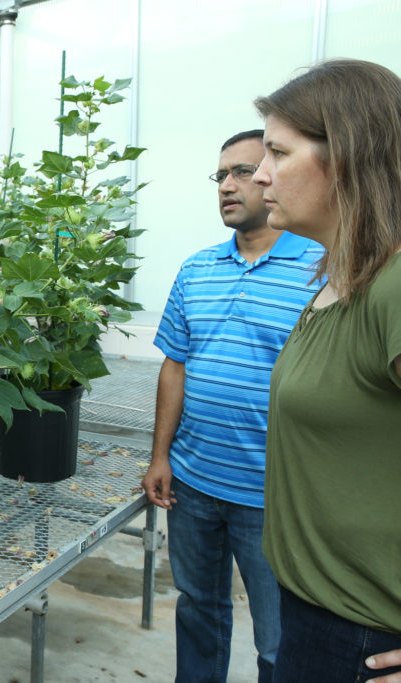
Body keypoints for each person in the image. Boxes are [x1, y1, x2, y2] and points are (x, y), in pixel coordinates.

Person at [143, 129, 323, 682]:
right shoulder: (197, 268)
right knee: (198, 610)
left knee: (279, 637)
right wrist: (160, 457)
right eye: (220, 175)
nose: (228, 185)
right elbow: (175, 364)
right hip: (195, 484)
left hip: (275, 494)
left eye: (243, 171)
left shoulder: (323, 268)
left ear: (273, 176)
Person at [252, 59, 401, 683]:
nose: (261, 175)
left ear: (347, 156)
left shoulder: (395, 287)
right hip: (314, 618)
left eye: (278, 153)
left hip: (364, 640)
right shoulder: (337, 282)